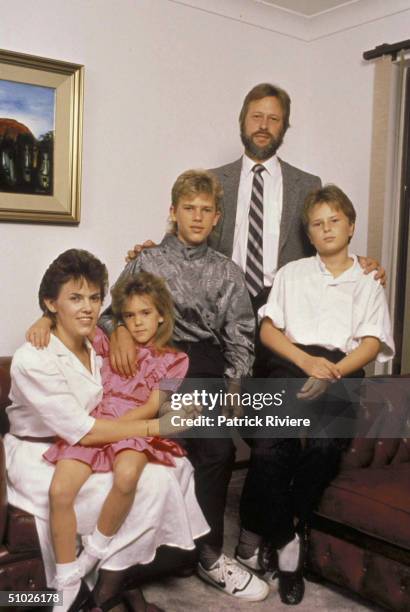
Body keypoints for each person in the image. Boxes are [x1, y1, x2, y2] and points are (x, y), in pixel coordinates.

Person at [6, 249, 209, 612]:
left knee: (168, 472)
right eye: (75, 298)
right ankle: (81, 586)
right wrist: (158, 425)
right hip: (42, 452)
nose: (87, 307)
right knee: (150, 484)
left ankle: (110, 582)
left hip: (101, 436)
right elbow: (83, 432)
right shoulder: (33, 359)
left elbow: (127, 323)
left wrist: (121, 334)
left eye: (94, 298)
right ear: (51, 303)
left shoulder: (97, 341)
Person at [100, 169, 269, 602]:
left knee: (217, 449)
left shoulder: (227, 272)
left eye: (206, 210)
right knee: (149, 451)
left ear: (217, 219)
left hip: (203, 366)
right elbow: (110, 312)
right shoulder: (148, 259)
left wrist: (234, 384)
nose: (197, 217)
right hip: (149, 362)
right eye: (188, 209)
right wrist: (120, 328)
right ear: (173, 213)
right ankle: (135, 555)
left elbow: (240, 332)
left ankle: (209, 554)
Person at [236, 185, 395, 605]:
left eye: (334, 221)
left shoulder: (368, 280)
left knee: (324, 447)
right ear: (309, 232)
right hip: (289, 365)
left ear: (351, 225)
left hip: (341, 371)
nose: (326, 229)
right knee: (271, 448)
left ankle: (282, 525)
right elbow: (268, 330)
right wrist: (306, 365)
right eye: (317, 223)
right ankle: (289, 544)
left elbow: (372, 343)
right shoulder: (292, 273)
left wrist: (334, 372)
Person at [43, 272, 190, 588]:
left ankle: (93, 552)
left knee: (126, 476)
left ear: (161, 314)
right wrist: (43, 323)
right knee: (60, 488)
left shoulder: (175, 360)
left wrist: (117, 428)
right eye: (129, 316)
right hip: (94, 421)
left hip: (135, 424)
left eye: (146, 313)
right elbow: (67, 323)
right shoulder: (107, 343)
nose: (137, 323)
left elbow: (152, 408)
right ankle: (66, 576)